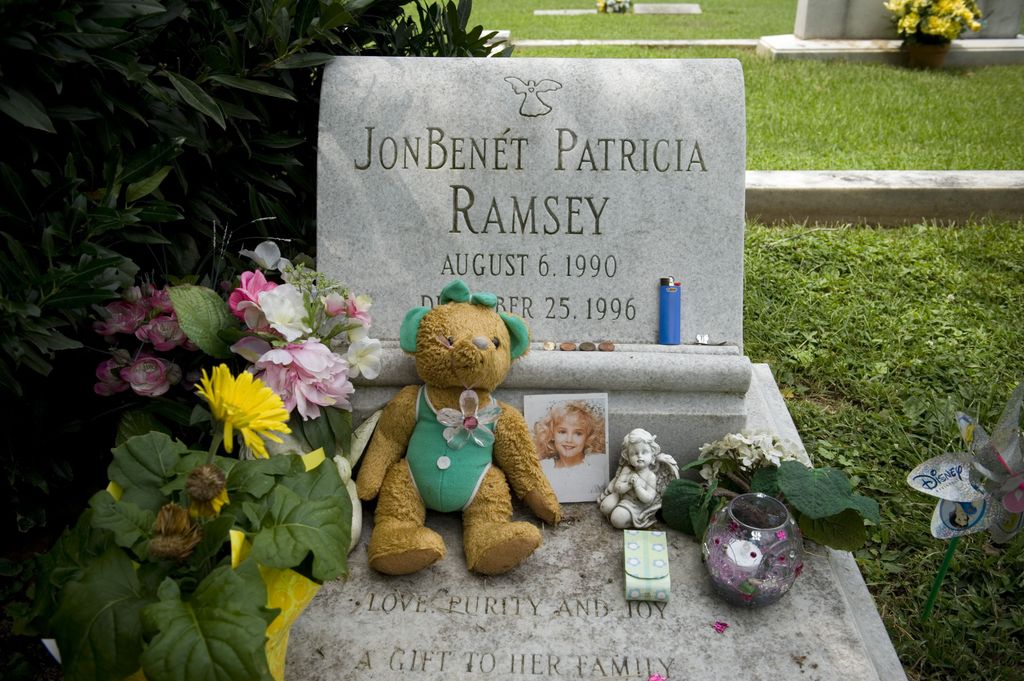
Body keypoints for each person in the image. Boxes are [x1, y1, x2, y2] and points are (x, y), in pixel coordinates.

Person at [599, 428, 679, 529]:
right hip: (621, 497)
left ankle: (631, 521)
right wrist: (629, 484)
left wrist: (637, 486)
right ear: (627, 456)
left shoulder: (651, 476)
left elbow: (648, 499)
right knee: (604, 507)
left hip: (636, 505)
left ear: (652, 455)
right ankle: (617, 512)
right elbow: (618, 487)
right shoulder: (626, 469)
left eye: (644, 452)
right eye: (634, 453)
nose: (639, 456)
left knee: (617, 519)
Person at [533, 400, 605, 468]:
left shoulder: (598, 464)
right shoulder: (543, 468)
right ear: (551, 434)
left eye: (578, 433)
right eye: (562, 432)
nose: (569, 440)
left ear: (588, 437)